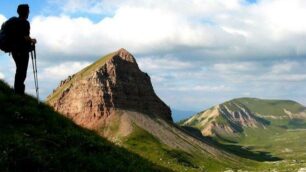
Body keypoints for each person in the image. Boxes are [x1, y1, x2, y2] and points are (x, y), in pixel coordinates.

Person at [10, 4, 37, 95]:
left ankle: (17, 91)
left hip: (14, 50)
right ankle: (19, 92)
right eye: (28, 11)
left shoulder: (14, 22)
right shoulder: (25, 23)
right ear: (25, 12)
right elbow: (25, 37)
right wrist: (32, 40)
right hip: (22, 50)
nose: (29, 12)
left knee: (19, 70)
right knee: (22, 71)